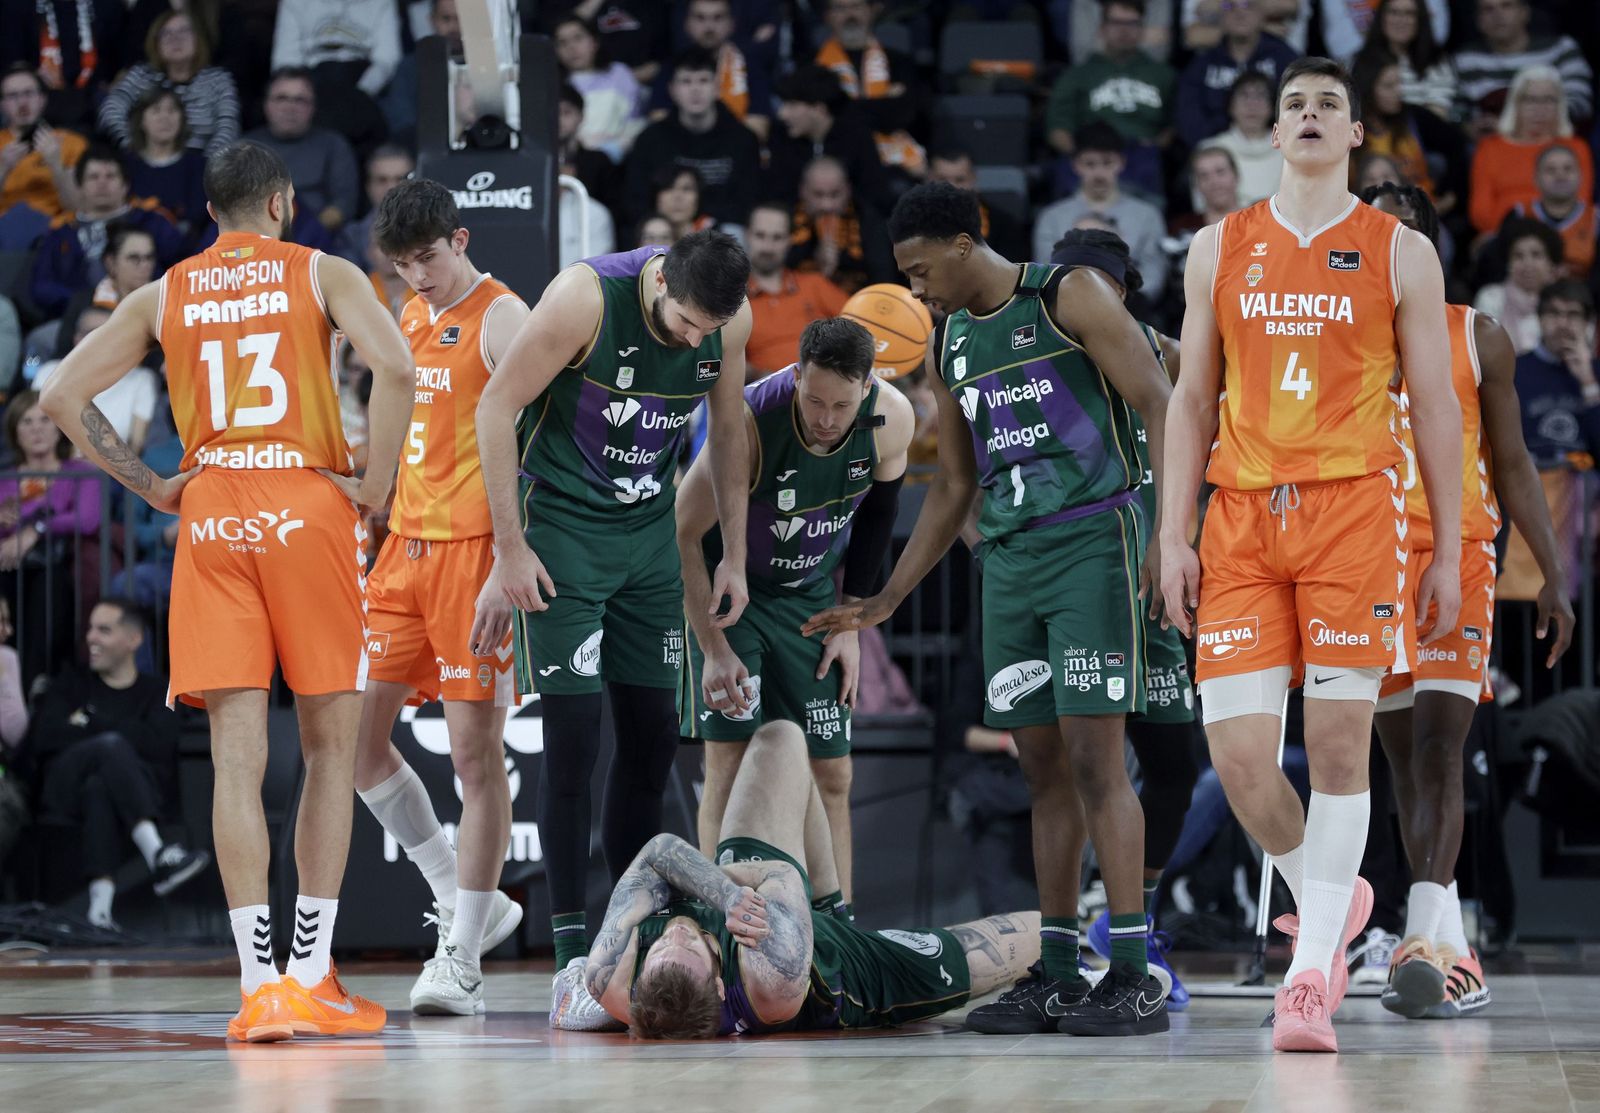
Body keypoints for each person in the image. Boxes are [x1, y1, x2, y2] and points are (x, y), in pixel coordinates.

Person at [38, 139, 414, 1042]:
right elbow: (398, 367)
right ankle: (311, 974)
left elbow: (60, 395)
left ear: (209, 212)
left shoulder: (162, 292)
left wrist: (152, 487)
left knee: (235, 760)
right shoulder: (322, 270)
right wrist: (375, 487)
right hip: (305, 502)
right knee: (330, 749)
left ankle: (257, 987)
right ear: (282, 202)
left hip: (210, 510)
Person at [806, 180, 1176, 1036]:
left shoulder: (1066, 296)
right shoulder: (950, 343)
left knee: (1097, 762)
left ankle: (1132, 969)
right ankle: (1058, 972)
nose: (915, 287)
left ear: (964, 245)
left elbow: (1160, 400)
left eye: (920, 269)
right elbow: (954, 487)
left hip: (1094, 541)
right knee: (1040, 770)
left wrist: (1169, 532)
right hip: (1010, 561)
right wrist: (887, 595)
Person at [1158, 57, 1461, 1053]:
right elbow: (1190, 399)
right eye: (1295, 104)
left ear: (1355, 133)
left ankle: (1309, 974)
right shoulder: (1218, 245)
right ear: (1275, 132)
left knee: (1336, 749)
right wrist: (1171, 532)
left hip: (1351, 513)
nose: (1311, 114)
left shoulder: (1400, 251)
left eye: (1330, 103)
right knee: (1240, 762)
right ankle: (1327, 894)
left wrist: (1445, 550)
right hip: (1241, 517)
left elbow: (1436, 412)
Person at [474, 230, 754, 998]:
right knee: (573, 738)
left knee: (654, 734)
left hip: (649, 536)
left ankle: (632, 929)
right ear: (661, 281)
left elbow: (729, 433)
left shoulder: (729, 320)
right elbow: (495, 409)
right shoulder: (585, 298)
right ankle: (570, 957)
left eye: (707, 329)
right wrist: (508, 549)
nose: (694, 339)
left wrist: (733, 553)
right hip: (564, 530)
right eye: (686, 322)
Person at [1361, 182, 1572, 1022]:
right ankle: (1453, 952)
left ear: (1430, 246)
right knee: (1400, 763)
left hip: (1461, 559)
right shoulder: (1340, 334)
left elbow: (1514, 462)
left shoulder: (1477, 334)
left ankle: (1420, 938)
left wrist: (1552, 572)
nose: (1392, 242)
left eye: (1406, 229)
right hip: (1366, 561)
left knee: (1441, 749)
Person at [552, 719, 1041, 1038]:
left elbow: (656, 850)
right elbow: (782, 872)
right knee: (1020, 941)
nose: (677, 931)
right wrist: (712, 888)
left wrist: (722, 894)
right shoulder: (771, 977)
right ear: (721, 987)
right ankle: (1075, 932)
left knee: (778, 742)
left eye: (663, 943)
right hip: (842, 968)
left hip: (762, 909)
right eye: (691, 945)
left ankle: (829, 912)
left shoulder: (611, 978)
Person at [350, 179, 529, 1017]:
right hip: (403, 551)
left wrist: (508, 559)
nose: (417, 275)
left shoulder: (505, 317)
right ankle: (464, 896)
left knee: (472, 757)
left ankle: (461, 955)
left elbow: (542, 444)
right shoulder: (410, 313)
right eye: (401, 264)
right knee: (356, 749)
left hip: (473, 555)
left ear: (460, 240)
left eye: (427, 257)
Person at [679, 317, 913, 915]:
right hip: (736, 597)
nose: (827, 418)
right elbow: (682, 531)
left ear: (868, 386)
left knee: (833, 772)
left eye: (841, 404)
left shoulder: (893, 419)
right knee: (728, 759)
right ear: (796, 375)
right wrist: (712, 648)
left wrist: (852, 624)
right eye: (814, 400)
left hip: (811, 597)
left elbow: (879, 520)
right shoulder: (750, 421)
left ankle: (841, 928)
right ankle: (717, 920)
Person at [1048, 228, 1201, 1010]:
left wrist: (1177, 541)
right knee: (1084, 765)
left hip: (1153, 580)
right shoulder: (1038, 358)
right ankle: (1080, 927)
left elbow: (1205, 445)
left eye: (1098, 286)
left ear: (1121, 292)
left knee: (1175, 763)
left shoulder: (1165, 354)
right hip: (1078, 577)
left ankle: (1122, 916)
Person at [26, 598, 208, 930]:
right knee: (111, 748)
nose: (91, 638)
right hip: (63, 791)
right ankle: (157, 855)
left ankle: (99, 912)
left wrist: (88, 721)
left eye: (104, 630)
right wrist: (116, 735)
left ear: (133, 640)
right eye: (90, 629)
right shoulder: (70, 682)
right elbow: (46, 736)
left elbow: (159, 745)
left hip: (122, 795)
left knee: (101, 784)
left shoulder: (157, 691)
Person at [0, 390, 102, 688]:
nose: (37, 429)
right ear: (15, 431)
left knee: (49, 591)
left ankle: (36, 686)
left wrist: (36, 528)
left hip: (57, 567)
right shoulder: (5, 479)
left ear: (59, 428)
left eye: (45, 420)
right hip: (6, 569)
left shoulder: (81, 473)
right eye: (27, 421)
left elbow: (87, 519)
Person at [29, 146, 183, 321]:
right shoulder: (61, 232)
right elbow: (42, 287)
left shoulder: (152, 222)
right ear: (80, 186)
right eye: (93, 177)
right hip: (77, 317)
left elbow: (180, 271)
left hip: (146, 314)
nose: (102, 183)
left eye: (110, 176)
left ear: (125, 185)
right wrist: (83, 302)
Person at [1045, 0, 1175, 199]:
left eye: (1132, 23)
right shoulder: (1077, 75)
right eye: (1116, 23)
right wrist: (1083, 155)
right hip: (1090, 153)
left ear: (1142, 29)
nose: (1124, 30)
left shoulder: (1164, 75)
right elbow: (1057, 128)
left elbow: (1175, 124)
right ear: (1102, 28)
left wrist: (1157, 146)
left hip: (1142, 154)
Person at [623, 48, 762, 229]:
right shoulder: (650, 139)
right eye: (686, 81)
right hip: (664, 229)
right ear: (672, 90)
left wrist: (702, 223)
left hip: (721, 230)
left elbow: (747, 201)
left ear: (717, 88)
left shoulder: (743, 139)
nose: (695, 90)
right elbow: (637, 201)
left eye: (703, 80)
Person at [1032, 124, 1168, 301]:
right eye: (1090, 164)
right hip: (1066, 305)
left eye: (1107, 163)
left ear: (1121, 163)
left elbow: (1154, 274)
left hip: (1131, 307)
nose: (1099, 173)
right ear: (1075, 165)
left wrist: (1119, 302)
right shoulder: (1052, 217)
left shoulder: (1147, 215)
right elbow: (1045, 274)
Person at [1468, 66, 1594, 239]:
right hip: (1503, 237)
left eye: (1549, 100)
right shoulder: (1490, 148)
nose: (1540, 109)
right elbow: (1480, 212)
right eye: (1531, 100)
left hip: (1564, 236)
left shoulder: (1576, 148)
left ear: (1560, 105)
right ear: (1515, 104)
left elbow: (1580, 204)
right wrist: (1515, 234)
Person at [97, 10, 241, 158]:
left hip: (203, 163)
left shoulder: (218, 80)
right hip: (144, 162)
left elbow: (228, 128)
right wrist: (132, 150)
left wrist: (206, 166)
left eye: (184, 31)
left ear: (198, 38)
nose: (176, 39)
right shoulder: (140, 75)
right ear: (156, 43)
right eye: (166, 33)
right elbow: (110, 110)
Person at [243, 68, 360, 234]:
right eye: (281, 98)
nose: (290, 107)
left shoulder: (334, 145)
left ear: (313, 107)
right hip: (256, 237)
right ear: (266, 105)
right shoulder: (244, 148)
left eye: (300, 100)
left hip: (317, 238)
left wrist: (304, 234)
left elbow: (343, 205)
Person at [1452, 0, 1593, 136]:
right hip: (1487, 143)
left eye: (1507, 5)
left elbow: (1580, 103)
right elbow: (1455, 110)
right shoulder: (1463, 60)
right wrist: (1466, 128)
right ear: (1478, 20)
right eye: (1488, 9)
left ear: (1525, 12)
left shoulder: (1561, 49)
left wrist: (1511, 126)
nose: (1497, 15)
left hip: (1553, 142)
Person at [34, 304, 160, 453]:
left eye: (105, 334)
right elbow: (34, 429)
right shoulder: (49, 372)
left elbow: (136, 445)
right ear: (76, 338)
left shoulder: (140, 380)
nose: (96, 340)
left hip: (109, 467)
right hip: (56, 465)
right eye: (89, 333)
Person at [743, 201, 848, 377]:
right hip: (766, 390)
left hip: (830, 383)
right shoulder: (733, 300)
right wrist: (759, 376)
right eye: (760, 235)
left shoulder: (815, 284)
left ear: (789, 240)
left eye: (777, 237)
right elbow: (724, 360)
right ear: (747, 236)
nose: (768, 247)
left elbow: (863, 326)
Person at [765, 65, 888, 215]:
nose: (782, 114)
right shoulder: (780, 136)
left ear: (819, 109)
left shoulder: (858, 137)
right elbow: (776, 197)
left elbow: (874, 196)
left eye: (792, 105)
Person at [1175, 0, 1300, 146]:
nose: (1240, 13)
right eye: (1229, 6)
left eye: (1248, 5)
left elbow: (1300, 109)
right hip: (1216, 149)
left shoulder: (1285, 59)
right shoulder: (1202, 65)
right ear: (1221, 15)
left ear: (1262, 14)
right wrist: (1218, 145)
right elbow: (1188, 119)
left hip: (1277, 147)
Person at [653, 0, 771, 141]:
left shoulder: (751, 69)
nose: (709, 27)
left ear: (732, 24)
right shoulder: (670, 68)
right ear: (687, 24)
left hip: (732, 152)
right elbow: (658, 124)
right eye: (700, 18)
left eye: (718, 18)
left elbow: (758, 131)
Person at [788, 155, 894, 295]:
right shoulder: (785, 221)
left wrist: (841, 259)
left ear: (848, 190)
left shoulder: (868, 220)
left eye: (835, 194)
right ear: (803, 190)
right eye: (818, 194)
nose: (827, 205)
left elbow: (883, 279)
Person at [554, 14, 647, 161]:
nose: (571, 47)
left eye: (578, 38)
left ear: (595, 41)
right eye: (562, 42)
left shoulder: (619, 74)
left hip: (615, 161)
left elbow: (634, 124)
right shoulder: (552, 84)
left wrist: (613, 150)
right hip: (567, 160)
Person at [122, 88, 210, 243]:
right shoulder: (126, 165)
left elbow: (199, 218)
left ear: (182, 119)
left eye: (172, 110)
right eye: (156, 110)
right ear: (141, 120)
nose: (165, 117)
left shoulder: (198, 166)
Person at [0, 64, 85, 220]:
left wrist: (56, 165)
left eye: (29, 93)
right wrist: (3, 168)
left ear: (42, 99)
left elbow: (80, 209)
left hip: (56, 228)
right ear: (2, 104)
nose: (22, 102)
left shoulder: (72, 143)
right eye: (12, 96)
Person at [1350, 0, 1456, 119]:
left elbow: (1438, 113)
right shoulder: (1361, 60)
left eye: (1409, 13)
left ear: (1420, 19)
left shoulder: (1436, 60)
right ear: (1381, 17)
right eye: (1394, 12)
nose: (1401, 20)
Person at [1473, 219, 1562, 354]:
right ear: (1508, 264)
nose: (1528, 264)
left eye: (1536, 255)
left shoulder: (1564, 302)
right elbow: (1482, 350)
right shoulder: (1491, 297)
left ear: (1551, 264)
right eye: (1518, 256)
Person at [1199, 71, 1285, 206]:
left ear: (1272, 106)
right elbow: (1202, 207)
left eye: (1260, 96)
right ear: (1231, 106)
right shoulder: (1210, 150)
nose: (1252, 105)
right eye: (1244, 96)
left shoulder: (1290, 150)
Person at [1511, 145, 1597, 280]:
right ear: (1536, 179)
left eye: (1568, 169)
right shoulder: (1519, 215)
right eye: (1550, 170)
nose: (1560, 176)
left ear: (1581, 176)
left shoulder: (1596, 218)